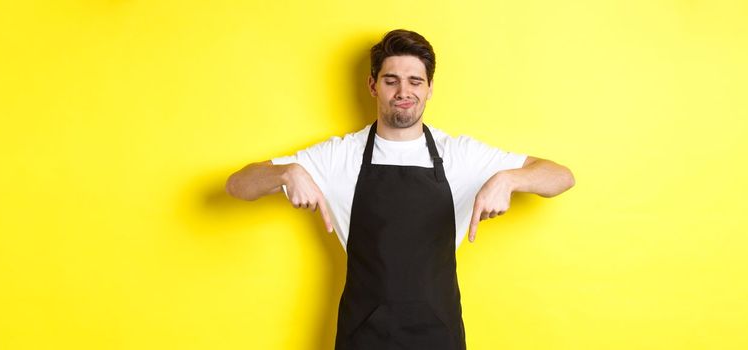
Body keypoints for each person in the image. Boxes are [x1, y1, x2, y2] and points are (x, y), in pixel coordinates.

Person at [226, 29, 574, 350]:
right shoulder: (339, 156)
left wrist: (510, 179)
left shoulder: (461, 155)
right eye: (391, 80)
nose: (404, 92)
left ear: (430, 88)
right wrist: (287, 172)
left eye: (414, 81)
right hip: (363, 334)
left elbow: (560, 176)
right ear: (373, 85)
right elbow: (237, 185)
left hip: (439, 333)